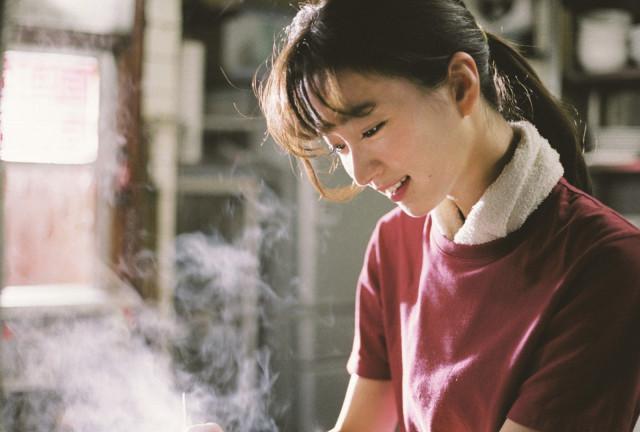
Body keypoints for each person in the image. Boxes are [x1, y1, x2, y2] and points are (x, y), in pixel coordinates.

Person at [191, 0, 640, 431]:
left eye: (371, 129)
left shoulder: (606, 265)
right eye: (339, 147)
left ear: (460, 86)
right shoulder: (394, 243)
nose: (360, 173)